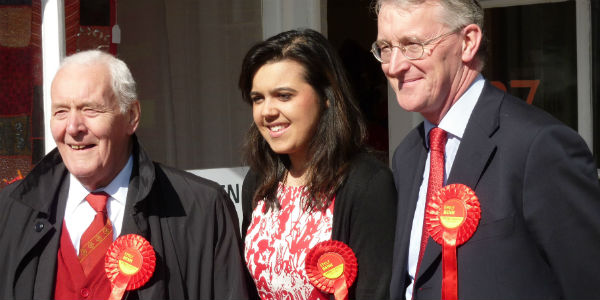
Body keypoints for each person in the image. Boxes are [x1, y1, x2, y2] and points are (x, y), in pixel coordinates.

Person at [371, 0, 600, 299]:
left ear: (467, 42)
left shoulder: (538, 146)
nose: (394, 65)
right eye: (385, 48)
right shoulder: (408, 155)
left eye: (413, 44)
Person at [0, 50, 249, 299]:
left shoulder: (201, 209)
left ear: (132, 116)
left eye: (90, 110)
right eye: (61, 111)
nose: (73, 127)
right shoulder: (11, 210)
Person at [239, 29, 397, 300]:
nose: (267, 111)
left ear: (326, 97)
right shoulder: (259, 181)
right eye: (258, 98)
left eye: (284, 95)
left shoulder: (368, 184)